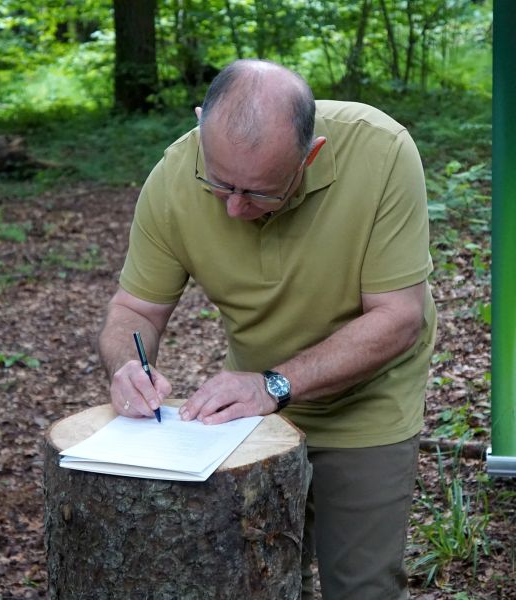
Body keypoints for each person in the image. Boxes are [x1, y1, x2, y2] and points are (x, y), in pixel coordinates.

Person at [98, 58, 436, 600]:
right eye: (219, 183)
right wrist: (126, 365)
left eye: (260, 193)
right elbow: (135, 309)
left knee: (362, 585)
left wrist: (274, 384)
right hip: (251, 411)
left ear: (310, 155)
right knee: (258, 580)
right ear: (200, 123)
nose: (235, 208)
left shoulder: (381, 152)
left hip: (365, 402)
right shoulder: (174, 176)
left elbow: (398, 318)